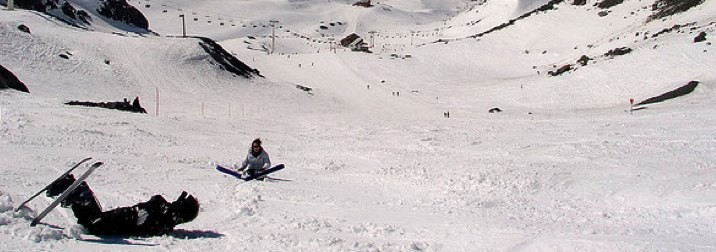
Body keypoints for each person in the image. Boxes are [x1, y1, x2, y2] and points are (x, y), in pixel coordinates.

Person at [44, 174, 199, 237]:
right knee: (95, 225)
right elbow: (152, 212)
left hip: (127, 217)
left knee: (93, 223)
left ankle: (75, 189)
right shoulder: (166, 216)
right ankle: (81, 195)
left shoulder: (166, 215)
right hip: (127, 219)